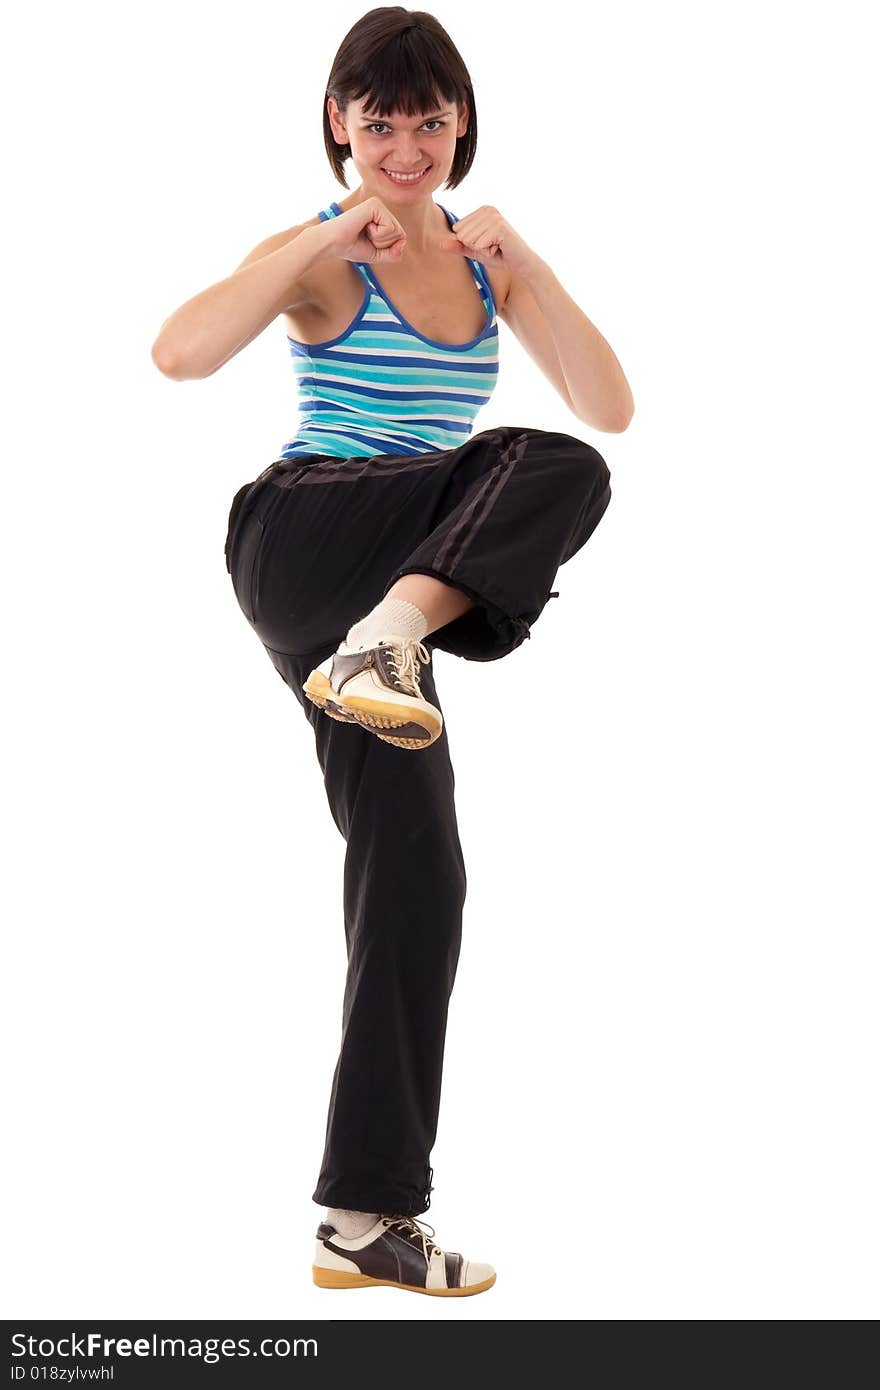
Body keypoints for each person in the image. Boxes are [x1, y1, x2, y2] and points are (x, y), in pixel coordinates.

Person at [151, 6, 633, 1298]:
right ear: (339, 125)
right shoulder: (325, 253)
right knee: (540, 463)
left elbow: (612, 400)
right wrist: (316, 234)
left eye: (428, 122)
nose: (405, 148)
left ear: (460, 124)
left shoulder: (486, 268)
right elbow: (180, 352)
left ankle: (364, 1214)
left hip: (384, 603)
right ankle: (390, 632)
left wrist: (521, 253)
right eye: (380, 124)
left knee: (421, 871)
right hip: (305, 536)